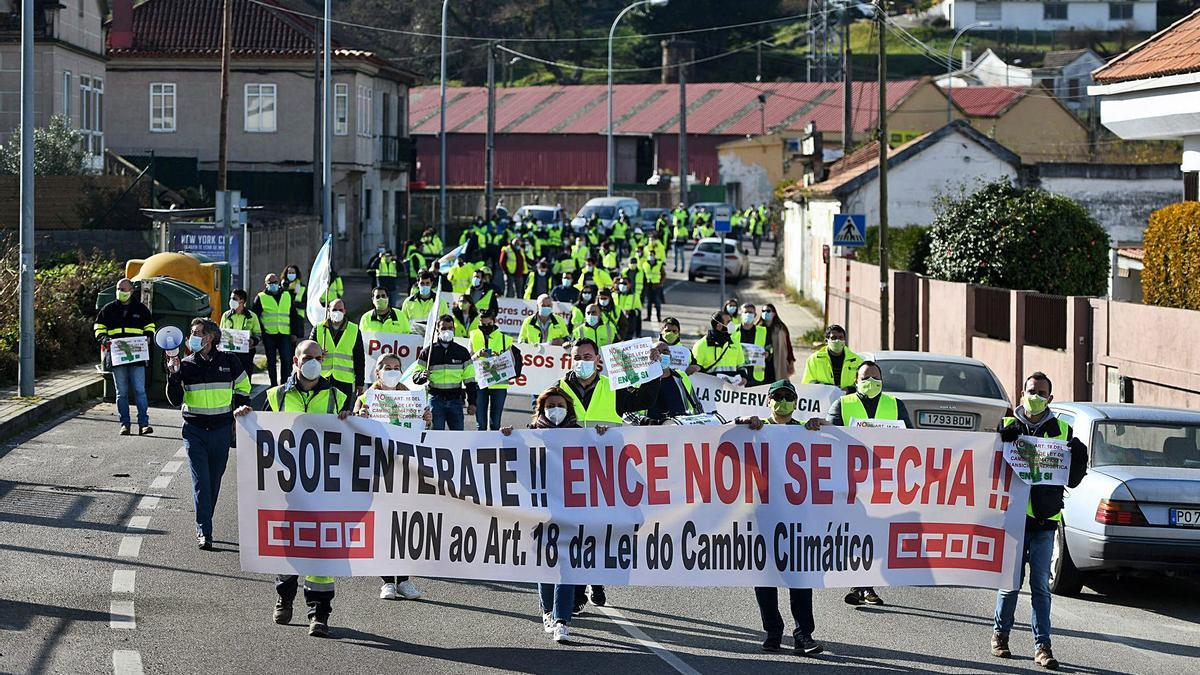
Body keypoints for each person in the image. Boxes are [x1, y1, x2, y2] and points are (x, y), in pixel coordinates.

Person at [992, 372, 1088, 670]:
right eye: (1031, 390)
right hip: (1013, 520)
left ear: (1050, 398)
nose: (1035, 396)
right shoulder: (1007, 426)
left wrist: (1080, 458)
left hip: (1045, 523)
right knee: (1009, 584)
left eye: (1041, 392)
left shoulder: (1063, 430)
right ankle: (1000, 635)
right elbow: (988, 470)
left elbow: (1071, 480)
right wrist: (998, 444)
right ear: (1022, 392)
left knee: (1040, 588)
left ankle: (1042, 647)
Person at [806, 360, 911, 607]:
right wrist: (819, 424)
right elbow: (830, 432)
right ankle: (862, 585)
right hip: (850, 480)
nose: (871, 382)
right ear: (856, 381)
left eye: (875, 378)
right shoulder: (843, 403)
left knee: (875, 533)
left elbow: (912, 437)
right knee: (857, 530)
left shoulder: (896, 405)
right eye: (866, 378)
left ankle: (862, 585)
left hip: (884, 481)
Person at [267, 339, 352, 638]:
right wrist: (244, 418)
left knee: (321, 551)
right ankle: (285, 595)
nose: (312, 361)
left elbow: (355, 439)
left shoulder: (339, 397)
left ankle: (319, 613)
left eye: (317, 357)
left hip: (324, 489)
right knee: (288, 546)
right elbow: (260, 435)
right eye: (307, 357)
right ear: (295, 360)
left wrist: (350, 421)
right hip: (287, 488)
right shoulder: (275, 396)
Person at [733, 380, 824, 656]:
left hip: (797, 516)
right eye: (777, 396)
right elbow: (722, 430)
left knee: (799, 575)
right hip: (762, 513)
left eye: (788, 397)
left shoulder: (804, 431)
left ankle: (803, 635)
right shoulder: (755, 427)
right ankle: (773, 632)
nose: (782, 401)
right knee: (765, 575)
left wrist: (822, 426)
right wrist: (743, 419)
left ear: (796, 402)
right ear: (768, 401)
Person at [498, 387, 592, 641]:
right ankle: (548, 611)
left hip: (573, 508)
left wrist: (604, 437)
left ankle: (561, 619)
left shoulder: (580, 435)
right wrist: (508, 440)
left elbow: (599, 459)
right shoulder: (529, 434)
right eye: (550, 405)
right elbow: (516, 467)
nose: (555, 409)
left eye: (560, 404)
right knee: (546, 563)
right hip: (540, 509)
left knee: (567, 564)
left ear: (568, 407)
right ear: (541, 409)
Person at [164, 317, 252, 550]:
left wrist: (239, 410)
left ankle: (205, 519)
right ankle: (204, 529)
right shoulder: (186, 364)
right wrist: (173, 374)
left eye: (197, 332)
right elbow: (174, 399)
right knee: (201, 482)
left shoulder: (230, 361)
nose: (192, 337)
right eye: (191, 332)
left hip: (221, 431)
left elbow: (244, 387)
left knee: (213, 481)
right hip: (194, 432)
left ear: (210, 337)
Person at [355, 353, 430, 603]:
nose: (391, 371)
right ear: (377, 373)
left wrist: (426, 421)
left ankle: (405, 579)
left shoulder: (413, 398)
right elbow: (352, 430)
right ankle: (387, 581)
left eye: (396, 367)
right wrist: (360, 418)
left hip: (406, 468)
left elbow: (420, 435)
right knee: (384, 525)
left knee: (406, 525)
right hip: (378, 469)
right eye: (386, 367)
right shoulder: (366, 399)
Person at [94, 278, 155, 435]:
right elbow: (98, 327)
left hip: (137, 357)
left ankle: (143, 424)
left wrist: (148, 336)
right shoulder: (108, 309)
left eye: (123, 289)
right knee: (121, 392)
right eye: (118, 289)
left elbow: (150, 326)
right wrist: (103, 338)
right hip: (117, 357)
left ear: (131, 291)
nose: (120, 292)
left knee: (139, 391)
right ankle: (125, 424)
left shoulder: (141, 310)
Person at [557, 338, 660, 428]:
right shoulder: (559, 389)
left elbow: (645, 399)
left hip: (605, 449)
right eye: (577, 358)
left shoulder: (613, 388)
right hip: (570, 450)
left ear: (597, 359)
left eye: (587, 357)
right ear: (571, 360)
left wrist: (652, 368)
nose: (581, 362)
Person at [412, 315, 477, 430]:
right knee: (434, 436)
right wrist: (422, 376)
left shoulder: (462, 352)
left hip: (456, 401)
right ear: (437, 330)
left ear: (454, 330)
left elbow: (470, 381)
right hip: (435, 400)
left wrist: (472, 402)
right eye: (443, 328)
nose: (447, 331)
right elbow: (415, 377)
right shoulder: (428, 352)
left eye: (450, 328)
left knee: (457, 437)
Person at [469, 308, 523, 430]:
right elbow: (468, 360)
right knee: (480, 424)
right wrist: (477, 355)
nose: (486, 326)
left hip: (499, 384)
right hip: (480, 382)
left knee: (495, 423)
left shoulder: (505, 339)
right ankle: (481, 447)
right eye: (483, 324)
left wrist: (498, 358)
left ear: (494, 321)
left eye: (489, 324)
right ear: (479, 322)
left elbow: (511, 362)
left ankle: (493, 447)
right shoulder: (473, 335)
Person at [309, 297, 364, 401]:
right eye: (334, 309)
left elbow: (359, 358)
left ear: (345, 311)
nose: (337, 312)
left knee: (343, 413)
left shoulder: (354, 330)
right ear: (328, 311)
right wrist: (317, 353)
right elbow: (308, 351)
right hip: (322, 378)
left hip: (345, 380)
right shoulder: (319, 328)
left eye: (340, 310)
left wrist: (360, 383)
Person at [252, 273, 301, 387]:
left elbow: (293, 315)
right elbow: (256, 317)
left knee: (286, 359)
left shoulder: (286, 295)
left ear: (278, 282)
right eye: (270, 283)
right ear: (266, 284)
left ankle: (284, 383)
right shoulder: (260, 297)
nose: (273, 285)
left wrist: (294, 333)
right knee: (271, 361)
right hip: (269, 334)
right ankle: (273, 384)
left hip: (284, 333)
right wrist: (260, 333)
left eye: (274, 282)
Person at [639, 341, 704, 422]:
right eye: (657, 352)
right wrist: (646, 422)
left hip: (677, 428)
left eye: (665, 351)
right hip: (651, 429)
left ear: (670, 356)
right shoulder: (642, 380)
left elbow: (696, 404)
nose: (661, 355)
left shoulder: (681, 376)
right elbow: (629, 411)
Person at [800, 324, 861, 390]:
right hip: (823, 398)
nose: (838, 340)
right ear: (826, 341)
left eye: (841, 337)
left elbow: (862, 385)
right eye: (834, 338)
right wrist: (827, 387)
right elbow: (807, 384)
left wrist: (849, 389)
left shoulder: (857, 361)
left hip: (848, 398)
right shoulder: (813, 360)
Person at [220, 289, 263, 380]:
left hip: (246, 353)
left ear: (242, 301)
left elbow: (258, 334)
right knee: (230, 377)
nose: (231, 301)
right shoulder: (226, 315)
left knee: (245, 377)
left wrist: (253, 341)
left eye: (234, 299)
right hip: (229, 352)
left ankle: (245, 394)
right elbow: (221, 332)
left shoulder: (252, 316)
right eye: (231, 298)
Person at [691, 311, 746, 381]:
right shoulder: (700, 345)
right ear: (719, 326)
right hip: (710, 387)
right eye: (728, 322)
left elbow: (741, 365)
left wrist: (744, 377)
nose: (732, 324)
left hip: (730, 388)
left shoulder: (735, 342)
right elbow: (695, 372)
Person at [735, 303, 769, 386]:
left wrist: (768, 353)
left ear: (755, 315)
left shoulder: (763, 331)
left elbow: (769, 347)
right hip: (736, 374)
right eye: (745, 312)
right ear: (741, 315)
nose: (748, 315)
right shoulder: (733, 331)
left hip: (755, 376)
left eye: (751, 313)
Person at [761, 303, 795, 383]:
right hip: (762, 362)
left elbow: (788, 346)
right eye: (763, 311)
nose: (765, 313)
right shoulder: (758, 328)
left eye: (768, 311)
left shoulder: (781, 328)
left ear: (774, 313)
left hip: (777, 361)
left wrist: (791, 361)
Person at [640, 251, 665, 323]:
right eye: (649, 255)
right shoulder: (644, 264)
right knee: (648, 302)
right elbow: (642, 275)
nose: (650, 256)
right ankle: (648, 316)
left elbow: (663, 274)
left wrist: (660, 283)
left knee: (657, 302)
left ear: (654, 255)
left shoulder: (659, 264)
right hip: (648, 285)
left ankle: (658, 317)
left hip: (656, 285)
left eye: (652, 255)